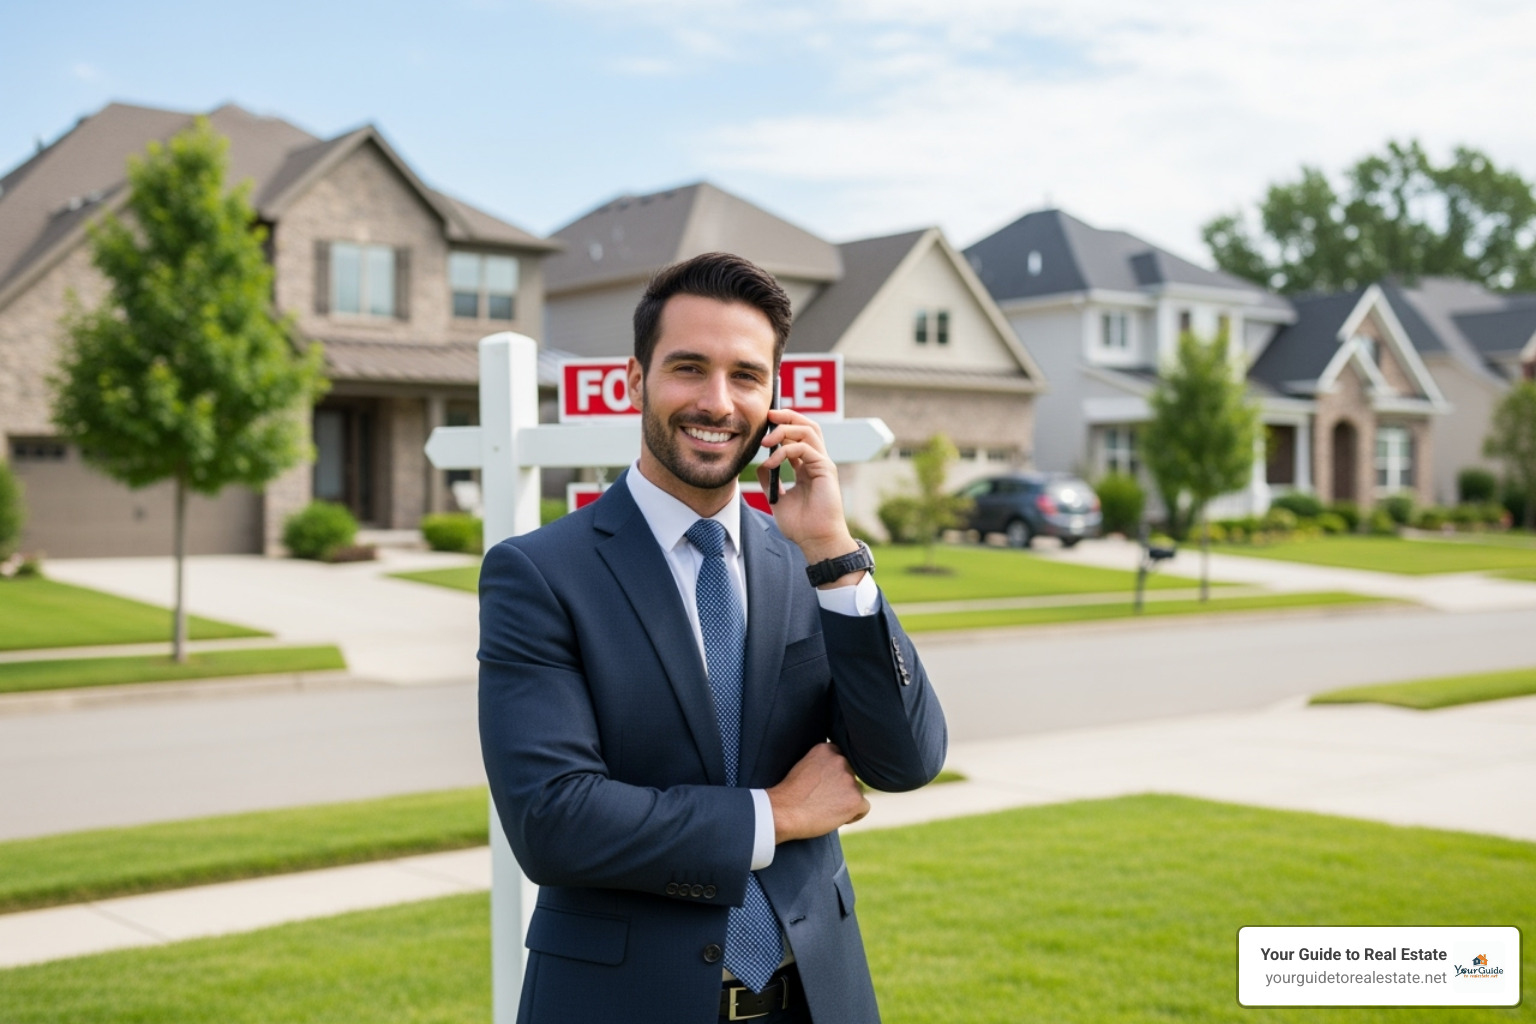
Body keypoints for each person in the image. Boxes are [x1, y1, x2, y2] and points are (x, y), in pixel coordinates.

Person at [479, 252, 947, 1023]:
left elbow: (906, 760)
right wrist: (778, 816)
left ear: (773, 398)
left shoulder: (804, 559)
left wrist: (834, 556)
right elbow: (553, 822)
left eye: (745, 376)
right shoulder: (538, 575)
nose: (717, 402)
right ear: (635, 381)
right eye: (688, 368)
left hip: (816, 1000)